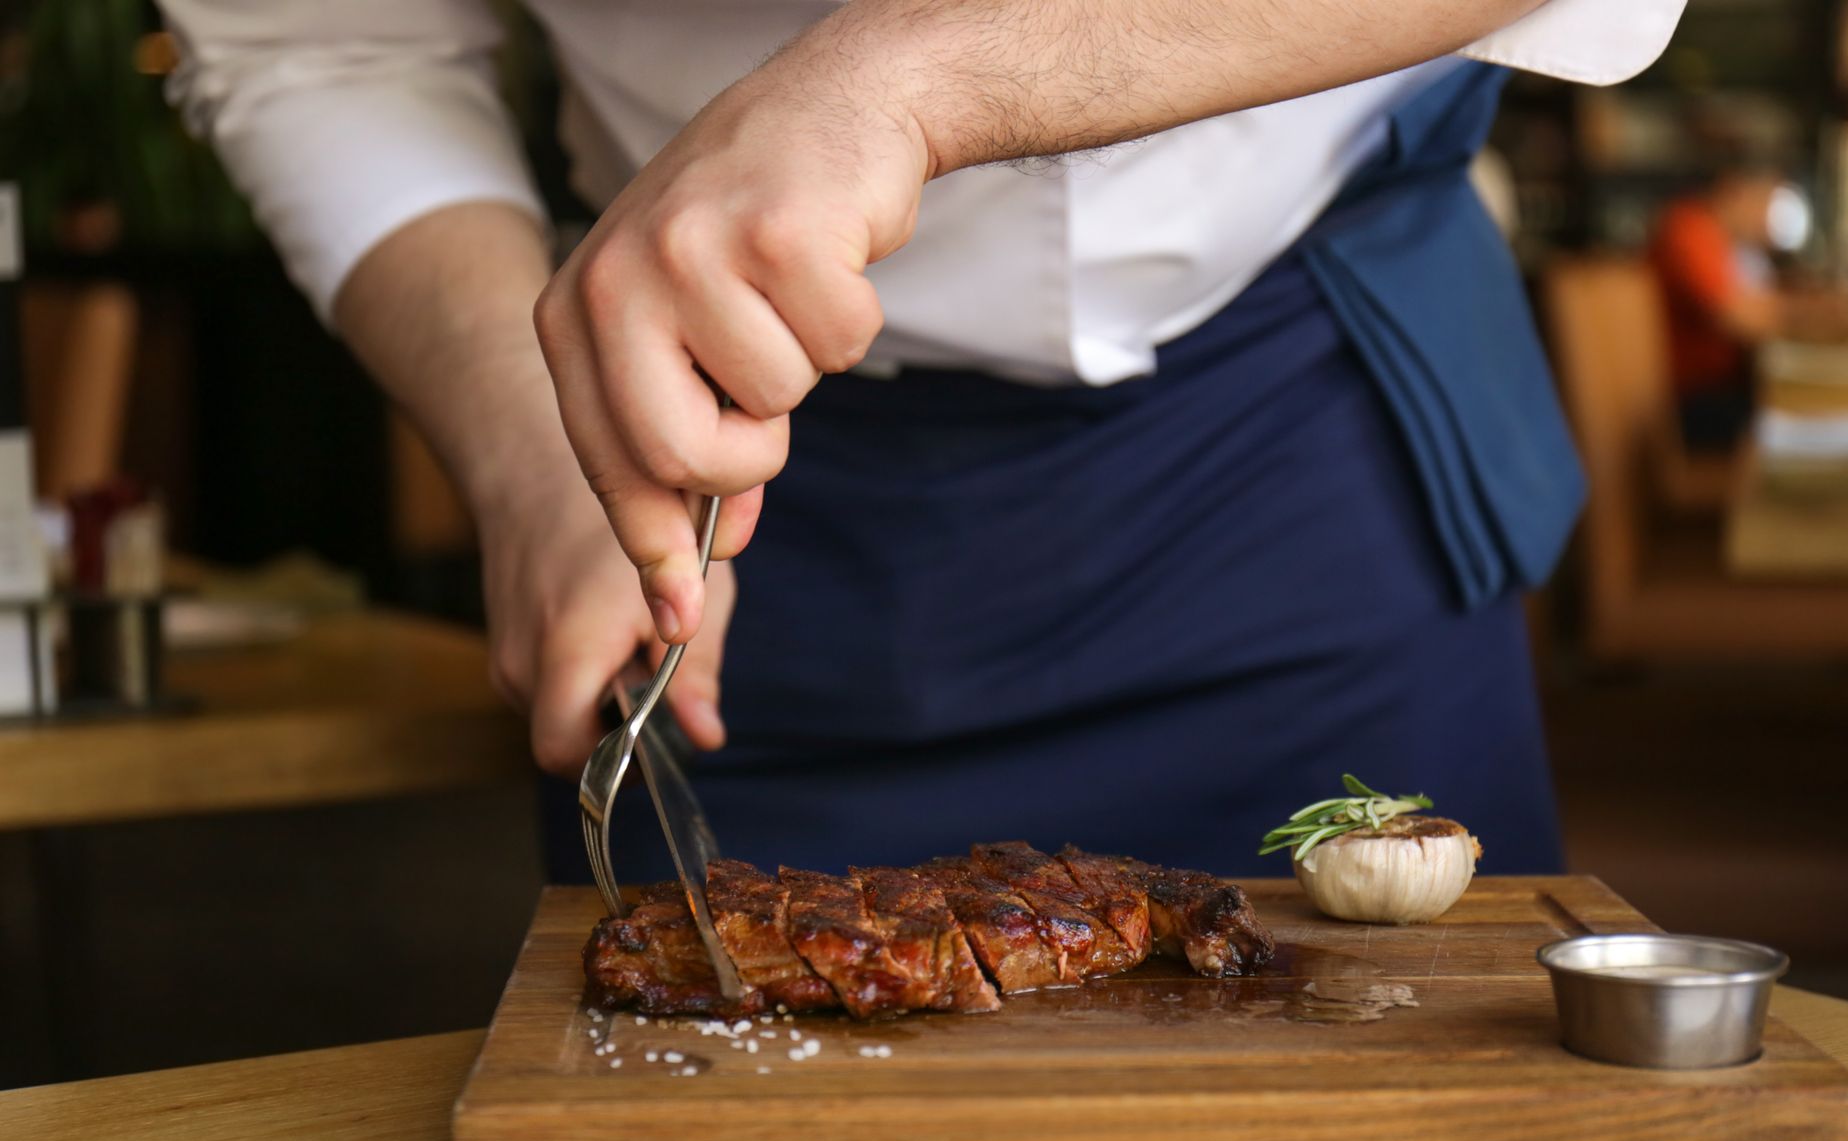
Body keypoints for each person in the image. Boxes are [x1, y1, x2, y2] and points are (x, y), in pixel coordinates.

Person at [159, 0, 1684, 880]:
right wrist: (527, 432)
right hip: (722, 507)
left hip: (1301, 451)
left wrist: (914, 75)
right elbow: (325, 40)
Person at [1648, 162, 1786, 452]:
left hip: (1711, 391)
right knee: (1792, 423)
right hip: (1687, 401)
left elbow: (1754, 304)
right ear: (1733, 191)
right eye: (1764, 204)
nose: (1766, 221)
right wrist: (1814, 317)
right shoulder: (1689, 228)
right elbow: (1735, 317)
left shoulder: (1720, 239)